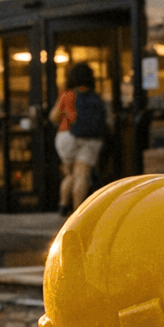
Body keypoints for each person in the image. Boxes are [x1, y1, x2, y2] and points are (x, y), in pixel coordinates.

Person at [58, 62, 106, 215]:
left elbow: (53, 116)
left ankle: (63, 205)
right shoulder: (95, 97)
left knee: (70, 175)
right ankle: (77, 213)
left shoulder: (68, 94)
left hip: (67, 138)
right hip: (90, 139)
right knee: (82, 176)